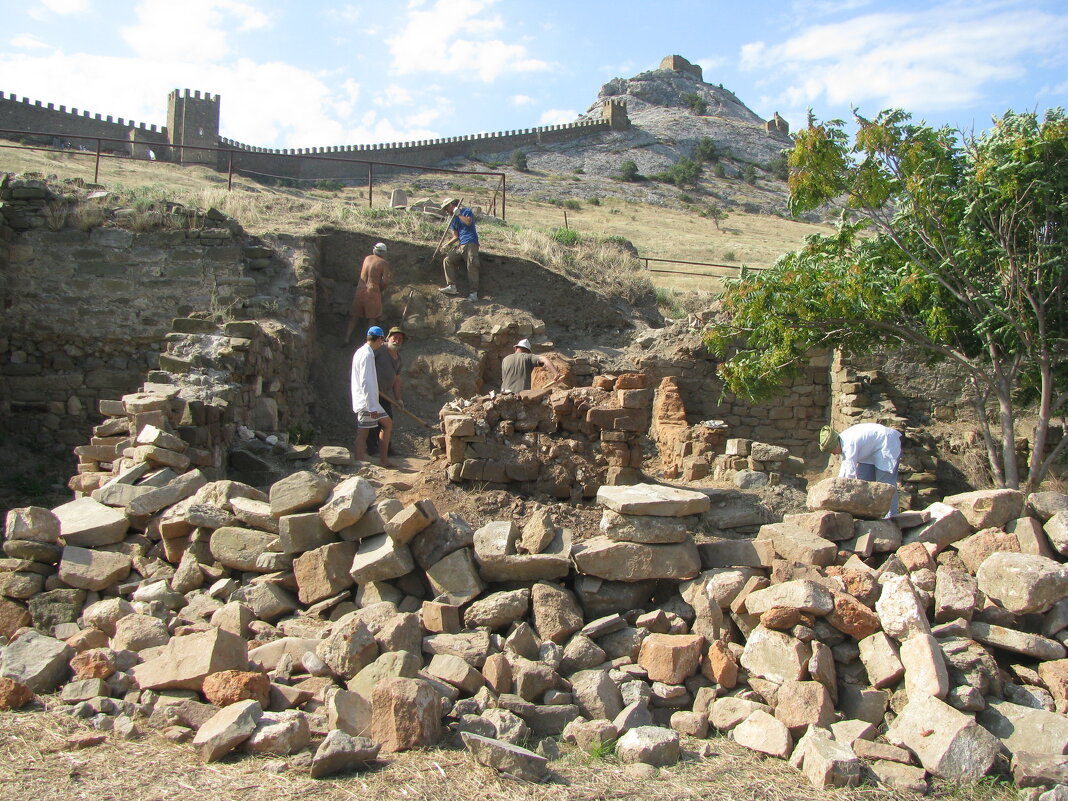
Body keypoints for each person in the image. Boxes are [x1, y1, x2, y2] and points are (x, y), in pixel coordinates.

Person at [819, 422, 902, 516]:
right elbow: (845, 469)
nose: (833, 454)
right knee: (864, 482)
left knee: (886, 485)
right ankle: (869, 515)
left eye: (832, 451)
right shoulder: (842, 442)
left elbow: (849, 473)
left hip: (886, 444)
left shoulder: (849, 444)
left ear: (835, 445)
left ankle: (891, 518)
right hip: (870, 450)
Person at [351, 326, 393, 467]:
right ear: (379, 339)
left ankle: (383, 460)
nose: (382, 343)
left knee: (386, 424)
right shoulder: (367, 355)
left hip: (368, 401)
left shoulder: (361, 352)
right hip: (367, 402)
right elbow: (366, 381)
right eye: (382, 340)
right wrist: (372, 406)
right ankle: (359, 462)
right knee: (363, 433)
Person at [367, 326, 406, 457]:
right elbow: (366, 360)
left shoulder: (398, 359)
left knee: (388, 420)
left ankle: (386, 448)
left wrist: (398, 399)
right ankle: (372, 449)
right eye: (395, 337)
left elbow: (396, 380)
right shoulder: (379, 349)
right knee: (372, 421)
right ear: (388, 338)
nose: (397, 340)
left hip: (384, 395)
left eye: (400, 339)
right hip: (372, 393)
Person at [345, 242, 391, 345]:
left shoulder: (367, 258)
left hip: (360, 289)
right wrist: (380, 289)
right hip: (373, 291)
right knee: (372, 318)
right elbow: (385, 281)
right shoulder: (384, 263)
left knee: (354, 316)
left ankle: (346, 337)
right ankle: (369, 342)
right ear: (384, 253)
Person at [438, 198, 481, 301]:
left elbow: (468, 223)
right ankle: (451, 286)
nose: (446, 211)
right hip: (461, 245)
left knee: (471, 265)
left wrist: (458, 214)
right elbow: (456, 236)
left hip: (471, 243)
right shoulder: (453, 219)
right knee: (448, 260)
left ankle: (473, 294)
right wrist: (447, 245)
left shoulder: (466, 212)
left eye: (446, 208)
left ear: (451, 206)